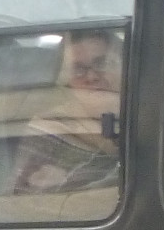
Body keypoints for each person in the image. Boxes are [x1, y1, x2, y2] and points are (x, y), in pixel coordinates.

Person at [10, 29, 122, 198]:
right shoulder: (48, 128)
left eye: (101, 64)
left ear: (124, 66)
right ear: (66, 78)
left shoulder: (153, 113)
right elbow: (25, 198)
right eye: (78, 69)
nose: (91, 76)